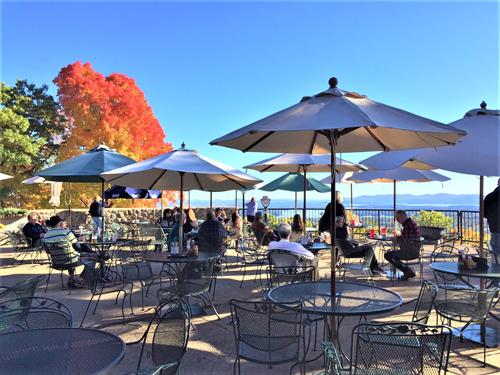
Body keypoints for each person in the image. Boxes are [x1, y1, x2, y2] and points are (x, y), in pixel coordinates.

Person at [43, 215, 96, 288]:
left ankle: (72, 279)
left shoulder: (46, 235)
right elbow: (77, 247)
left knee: (69, 254)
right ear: (60, 223)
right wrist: (80, 252)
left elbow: (48, 251)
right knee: (94, 257)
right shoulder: (66, 232)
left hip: (56, 262)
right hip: (71, 261)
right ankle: (83, 279)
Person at [384, 210, 421, 280]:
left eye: (398, 218)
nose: (397, 220)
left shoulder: (408, 225)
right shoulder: (411, 223)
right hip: (414, 250)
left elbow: (406, 241)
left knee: (388, 255)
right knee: (392, 255)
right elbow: (407, 237)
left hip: (410, 252)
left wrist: (396, 239)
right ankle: (408, 270)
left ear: (403, 217)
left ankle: (407, 271)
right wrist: (398, 237)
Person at [485, 179, 500, 263]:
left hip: (495, 228)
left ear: (497, 183)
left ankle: (495, 273)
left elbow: (484, 213)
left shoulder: (489, 196)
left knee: (495, 254)